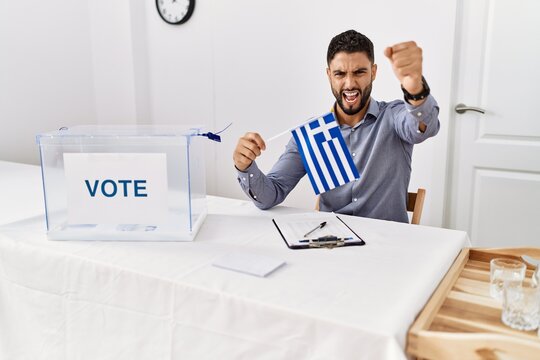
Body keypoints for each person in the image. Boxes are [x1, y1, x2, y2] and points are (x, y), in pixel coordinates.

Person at [232, 30, 440, 223]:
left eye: (359, 72)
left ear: (373, 72)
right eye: (340, 74)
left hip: (387, 247)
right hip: (330, 244)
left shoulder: (394, 117)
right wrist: (245, 166)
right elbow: (269, 195)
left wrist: (415, 89)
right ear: (329, 74)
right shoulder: (312, 133)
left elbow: (423, 127)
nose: (349, 83)